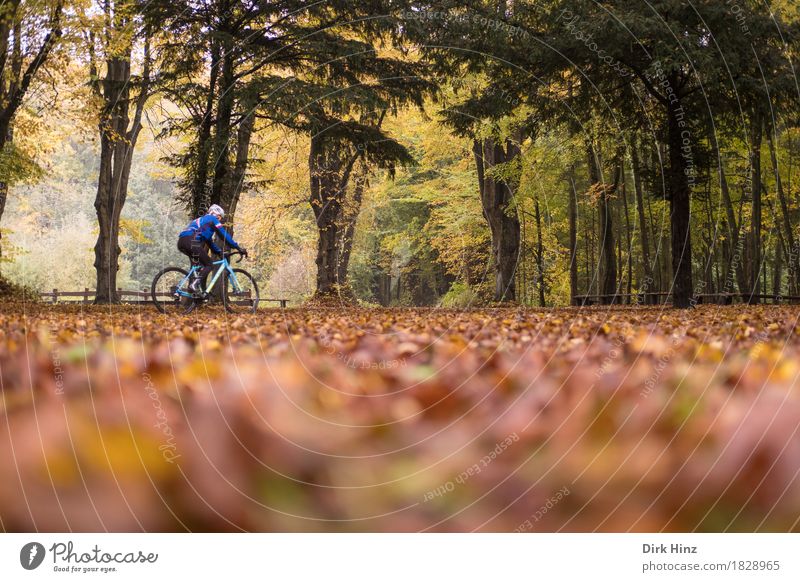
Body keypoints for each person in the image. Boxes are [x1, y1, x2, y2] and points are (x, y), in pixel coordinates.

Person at [177, 204, 247, 294]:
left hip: (182, 242)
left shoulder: (203, 221)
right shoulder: (212, 219)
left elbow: (209, 242)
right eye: (220, 217)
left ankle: (197, 293)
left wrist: (219, 252)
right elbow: (224, 235)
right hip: (192, 241)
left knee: (200, 265)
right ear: (216, 215)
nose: (220, 220)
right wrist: (238, 247)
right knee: (209, 264)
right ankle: (194, 285)